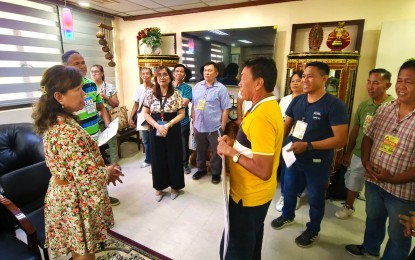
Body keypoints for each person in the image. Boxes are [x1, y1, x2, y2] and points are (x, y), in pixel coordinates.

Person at [32, 65, 123, 259]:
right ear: (59, 97)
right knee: (83, 252)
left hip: (64, 193)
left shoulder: (59, 121)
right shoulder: (66, 131)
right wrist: (107, 171)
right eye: (78, 90)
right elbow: (85, 176)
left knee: (78, 247)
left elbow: (77, 166)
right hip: (73, 198)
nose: (84, 94)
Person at [270, 61, 348, 248]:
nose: (304, 80)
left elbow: (340, 140)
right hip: (292, 154)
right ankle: (288, 215)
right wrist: (276, 143)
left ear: (324, 78)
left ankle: (313, 229)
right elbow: (287, 125)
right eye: (303, 76)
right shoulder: (298, 100)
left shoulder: (334, 105)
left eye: (310, 76)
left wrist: (309, 146)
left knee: (314, 196)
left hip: (317, 160)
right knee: (288, 188)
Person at [345, 59, 415, 259]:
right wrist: (367, 163)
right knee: (373, 219)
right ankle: (370, 248)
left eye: (408, 82)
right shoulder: (386, 108)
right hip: (375, 181)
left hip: (403, 192)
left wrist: (391, 178)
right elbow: (368, 136)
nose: (401, 86)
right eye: (400, 80)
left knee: (398, 234)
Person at [217, 57, 283, 259]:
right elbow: (253, 147)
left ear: (259, 82)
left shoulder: (262, 116)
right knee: (250, 244)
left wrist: (232, 153)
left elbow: (263, 170)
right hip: (251, 194)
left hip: (249, 196)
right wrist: (234, 144)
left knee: (236, 249)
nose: (239, 84)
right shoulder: (260, 107)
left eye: (243, 78)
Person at [62, 50, 121, 207]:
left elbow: (100, 107)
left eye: (83, 62)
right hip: (76, 142)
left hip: (95, 138)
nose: (82, 66)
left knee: (99, 169)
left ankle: (103, 198)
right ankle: (87, 205)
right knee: (84, 174)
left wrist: (108, 124)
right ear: (65, 67)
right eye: (77, 63)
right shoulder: (62, 89)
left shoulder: (90, 84)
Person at [335, 68, 394, 219]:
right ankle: (349, 206)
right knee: (353, 178)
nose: (370, 86)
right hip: (360, 152)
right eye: (369, 82)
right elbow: (355, 130)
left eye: (376, 83)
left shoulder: (393, 106)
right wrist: (348, 151)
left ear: (387, 85)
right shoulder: (364, 105)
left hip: (381, 158)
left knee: (376, 188)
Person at [142, 66, 185, 201]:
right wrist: (157, 126)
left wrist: (167, 125)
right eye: (159, 75)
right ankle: (159, 187)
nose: (162, 77)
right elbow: (145, 113)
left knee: (174, 157)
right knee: (157, 157)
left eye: (165, 75)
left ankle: (175, 187)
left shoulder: (176, 93)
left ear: (170, 77)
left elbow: (182, 114)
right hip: (155, 128)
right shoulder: (150, 93)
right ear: (156, 77)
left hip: (172, 127)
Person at [191, 61, 231, 184]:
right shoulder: (197, 86)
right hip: (198, 126)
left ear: (216, 73)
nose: (206, 73)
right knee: (200, 150)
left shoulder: (221, 89)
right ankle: (201, 169)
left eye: (210, 70)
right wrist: (194, 121)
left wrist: (222, 128)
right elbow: (194, 105)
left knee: (216, 152)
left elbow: (226, 109)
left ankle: (215, 173)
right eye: (205, 70)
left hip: (215, 127)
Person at [275, 71, 305, 212]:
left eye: (298, 80)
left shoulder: (307, 99)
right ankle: (284, 195)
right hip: (286, 136)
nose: (294, 83)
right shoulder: (285, 99)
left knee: (300, 168)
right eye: (292, 81)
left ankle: (297, 194)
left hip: (303, 139)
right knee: (287, 167)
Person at [90, 64, 120, 164]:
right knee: (95, 144)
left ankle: (114, 164)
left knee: (112, 142)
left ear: (102, 73)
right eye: (92, 72)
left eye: (96, 71)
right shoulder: (88, 87)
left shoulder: (109, 86)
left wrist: (105, 97)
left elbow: (116, 103)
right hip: (93, 120)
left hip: (108, 118)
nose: (94, 74)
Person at [129, 67, 154, 169]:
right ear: (140, 75)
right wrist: (130, 117)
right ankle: (148, 160)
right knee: (146, 141)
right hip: (141, 117)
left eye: (147, 73)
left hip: (153, 117)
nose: (145, 75)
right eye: (143, 74)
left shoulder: (156, 87)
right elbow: (136, 104)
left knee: (154, 139)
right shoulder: (138, 88)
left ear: (151, 75)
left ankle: (156, 160)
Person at [173, 64, 193, 174]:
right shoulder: (168, 86)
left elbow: (184, 104)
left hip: (182, 121)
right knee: (170, 143)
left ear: (184, 74)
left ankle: (185, 164)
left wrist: (168, 105)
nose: (179, 73)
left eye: (181, 71)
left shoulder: (187, 88)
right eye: (177, 71)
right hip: (167, 121)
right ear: (173, 73)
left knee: (183, 144)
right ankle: (172, 163)